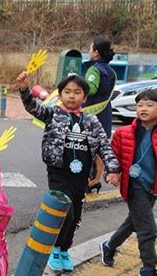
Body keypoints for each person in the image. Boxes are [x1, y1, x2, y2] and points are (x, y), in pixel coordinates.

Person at [16, 71, 120, 273]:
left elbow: (104, 146)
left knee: (75, 216)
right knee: (66, 212)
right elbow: (32, 106)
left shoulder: (91, 121)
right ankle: (55, 248)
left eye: (77, 92)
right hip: (58, 173)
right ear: (60, 94)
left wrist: (113, 169)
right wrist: (24, 89)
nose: (72, 96)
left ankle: (64, 249)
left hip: (81, 175)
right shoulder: (53, 113)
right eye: (67, 92)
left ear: (85, 97)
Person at [100, 89, 157, 276]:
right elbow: (113, 158)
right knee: (148, 229)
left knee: (134, 223)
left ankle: (109, 245)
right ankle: (148, 269)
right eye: (140, 105)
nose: (143, 108)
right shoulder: (123, 133)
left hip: (153, 186)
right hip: (134, 186)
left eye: (149, 105)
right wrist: (112, 173)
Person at [84, 38, 117, 193]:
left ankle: (89, 179)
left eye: (91, 48)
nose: (89, 51)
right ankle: (96, 180)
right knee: (101, 146)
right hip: (105, 111)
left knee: (87, 145)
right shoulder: (111, 72)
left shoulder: (94, 69)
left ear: (96, 52)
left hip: (92, 112)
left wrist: (77, 84)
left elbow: (90, 89)